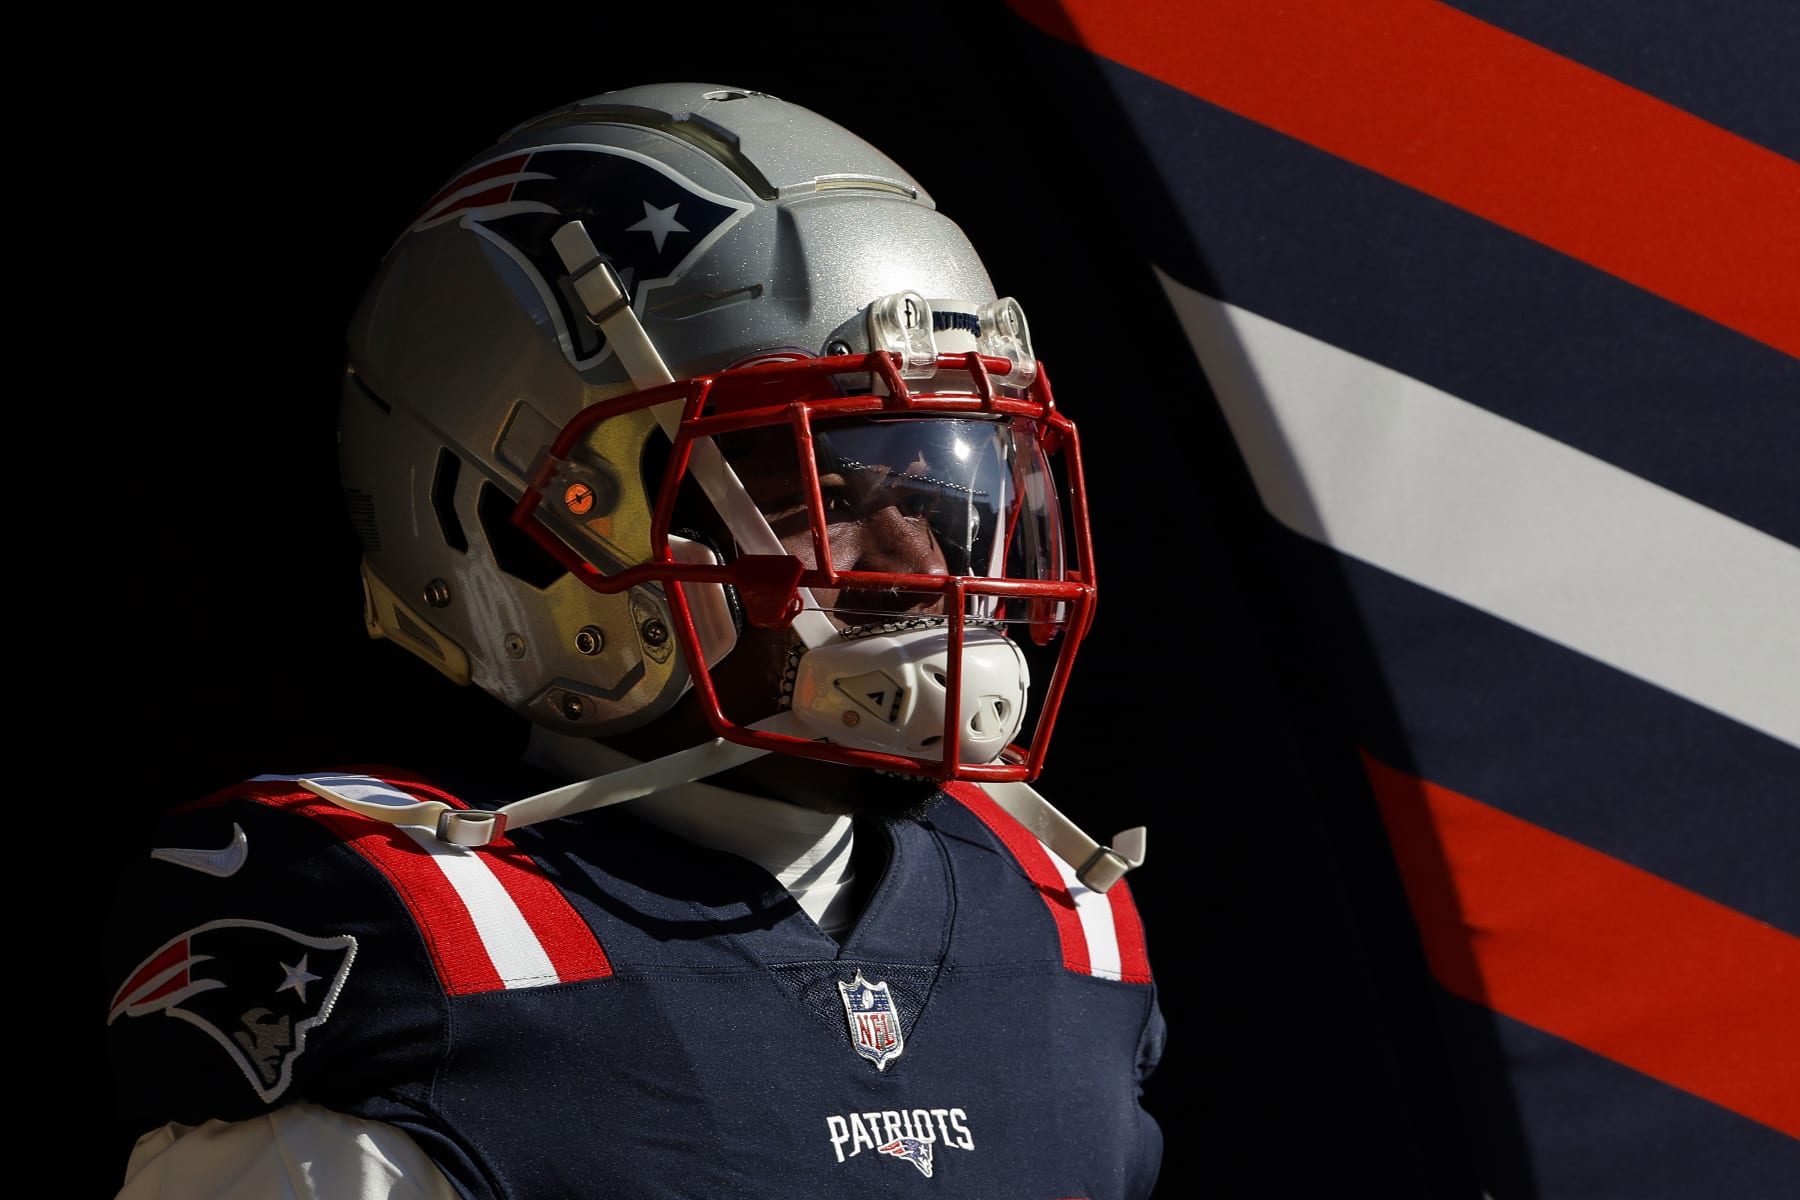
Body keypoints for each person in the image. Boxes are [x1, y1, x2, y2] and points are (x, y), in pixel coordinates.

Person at [102, 82, 1163, 1199]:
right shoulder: (444, 953)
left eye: (945, 482)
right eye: (827, 488)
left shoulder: (1059, 920)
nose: (924, 554)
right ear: (524, 520)